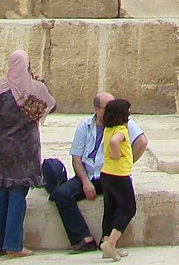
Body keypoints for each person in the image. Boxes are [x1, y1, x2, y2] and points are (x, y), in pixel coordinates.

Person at [47, 93, 147, 254]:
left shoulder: (122, 122)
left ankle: (107, 240)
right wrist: (85, 182)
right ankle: (83, 238)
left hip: (108, 174)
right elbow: (76, 158)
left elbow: (141, 142)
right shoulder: (84, 126)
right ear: (96, 109)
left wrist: (124, 165)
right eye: (107, 108)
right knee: (61, 195)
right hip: (88, 174)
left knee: (114, 202)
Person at [0, 50, 56, 259]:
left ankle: (2, 243)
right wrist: (41, 83)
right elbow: (51, 106)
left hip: (2, 149)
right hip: (24, 151)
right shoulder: (35, 89)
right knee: (17, 196)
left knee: (2, 195)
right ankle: (14, 245)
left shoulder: (1, 88)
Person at [99, 98, 136, 262]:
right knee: (129, 208)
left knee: (111, 208)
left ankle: (106, 240)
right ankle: (111, 243)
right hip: (119, 175)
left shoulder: (108, 129)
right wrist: (117, 154)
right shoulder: (121, 130)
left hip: (106, 173)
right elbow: (115, 142)